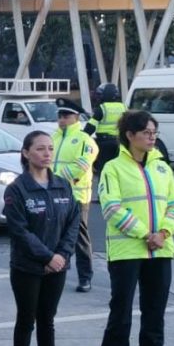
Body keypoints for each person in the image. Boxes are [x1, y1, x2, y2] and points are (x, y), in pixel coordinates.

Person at [98, 111, 174, 346]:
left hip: (160, 251)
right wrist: (144, 234)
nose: (152, 138)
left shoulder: (162, 168)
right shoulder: (113, 168)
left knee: (154, 312)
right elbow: (111, 208)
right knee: (121, 312)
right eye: (147, 132)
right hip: (127, 251)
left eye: (154, 133)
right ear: (130, 135)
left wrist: (163, 233)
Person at [3, 131, 81, 346]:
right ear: (26, 153)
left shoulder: (62, 185)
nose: (46, 153)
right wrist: (47, 256)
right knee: (27, 320)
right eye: (40, 149)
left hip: (57, 267)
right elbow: (19, 231)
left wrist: (61, 255)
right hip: (28, 267)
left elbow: (73, 223)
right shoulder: (16, 189)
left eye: (50, 149)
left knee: (47, 321)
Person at [50, 99, 99, 292]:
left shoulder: (85, 140)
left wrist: (54, 178)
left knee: (79, 238)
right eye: (60, 116)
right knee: (55, 236)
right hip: (54, 195)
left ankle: (85, 277)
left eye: (66, 116)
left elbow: (81, 166)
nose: (62, 120)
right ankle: (57, 272)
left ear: (76, 117)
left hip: (77, 198)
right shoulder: (53, 137)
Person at [85, 83, 126, 174]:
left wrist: (82, 136)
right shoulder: (124, 107)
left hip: (104, 144)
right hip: (120, 143)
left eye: (100, 95)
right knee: (118, 170)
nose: (98, 97)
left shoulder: (102, 108)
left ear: (106, 95)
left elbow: (90, 127)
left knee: (104, 171)